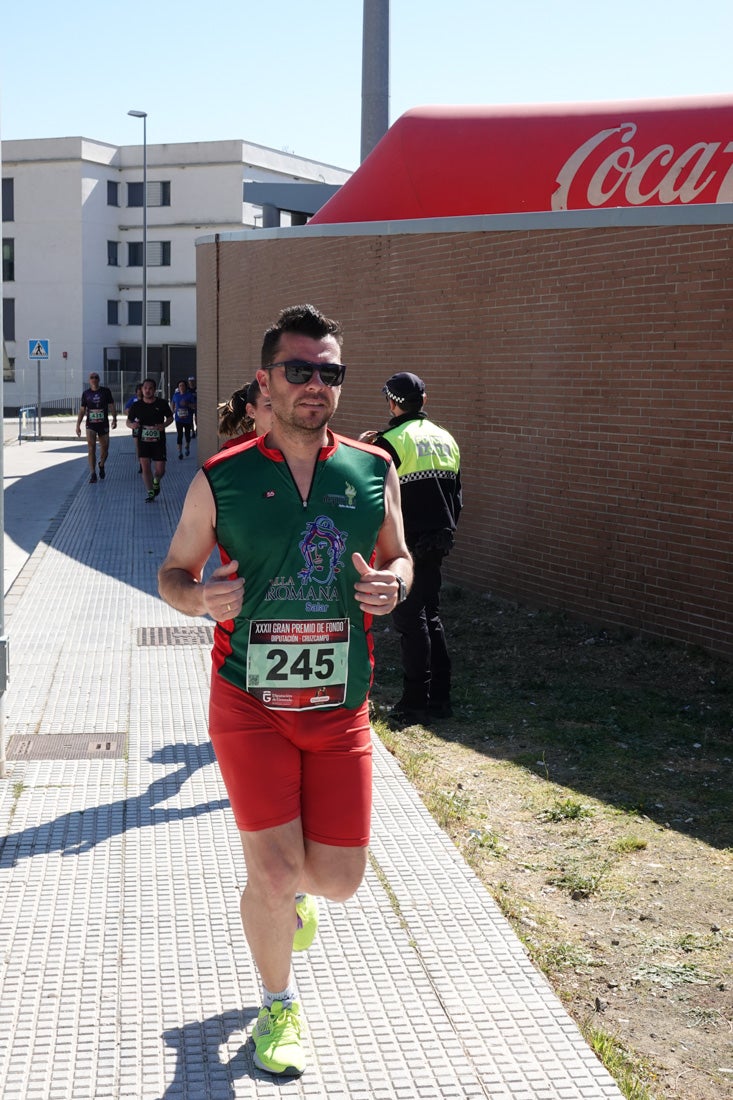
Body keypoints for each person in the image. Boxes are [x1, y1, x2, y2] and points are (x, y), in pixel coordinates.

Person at [158, 303, 412, 1078]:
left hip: (340, 706)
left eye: (329, 372)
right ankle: (278, 1004)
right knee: (270, 872)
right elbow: (172, 573)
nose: (315, 385)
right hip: (249, 705)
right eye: (298, 370)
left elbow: (400, 558)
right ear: (265, 383)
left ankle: (291, 903)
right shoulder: (223, 477)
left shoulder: (373, 470)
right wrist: (199, 599)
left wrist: (393, 588)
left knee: (335, 881)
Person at [364, 372, 462, 725]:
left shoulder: (388, 442)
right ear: (425, 399)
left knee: (410, 621)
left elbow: (376, 497)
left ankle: (414, 702)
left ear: (392, 402)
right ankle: (441, 699)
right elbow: (458, 496)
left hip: (406, 545)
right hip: (439, 540)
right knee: (431, 616)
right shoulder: (446, 438)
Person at [126, 378, 174, 503]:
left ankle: (156, 481)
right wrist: (132, 426)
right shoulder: (136, 406)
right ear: (141, 390)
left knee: (160, 470)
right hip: (143, 442)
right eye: (145, 388)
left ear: (154, 390)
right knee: (145, 468)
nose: (147, 391)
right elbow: (128, 421)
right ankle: (150, 491)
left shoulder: (162, 404)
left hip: (158, 442)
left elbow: (170, 418)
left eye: (150, 388)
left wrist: (163, 425)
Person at [75, 372, 117, 483]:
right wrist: (78, 425)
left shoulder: (105, 391)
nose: (94, 379)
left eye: (96, 377)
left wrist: (114, 418)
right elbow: (82, 410)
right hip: (91, 425)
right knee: (91, 448)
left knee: (105, 448)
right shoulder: (86, 393)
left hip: (103, 424)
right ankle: (93, 473)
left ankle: (101, 464)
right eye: (91, 377)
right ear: (89, 380)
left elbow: (112, 405)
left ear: (99, 380)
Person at [217, 378, 273, 448]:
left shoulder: (290, 449)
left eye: (285, 404)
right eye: (270, 405)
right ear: (251, 411)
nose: (280, 411)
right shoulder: (235, 451)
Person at [171, 379, 196, 459]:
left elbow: (194, 406)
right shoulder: (176, 395)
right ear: (178, 387)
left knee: (187, 435)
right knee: (179, 435)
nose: (181, 387)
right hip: (178, 419)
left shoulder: (189, 395)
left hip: (187, 419)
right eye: (180, 386)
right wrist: (172, 410)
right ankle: (180, 452)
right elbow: (173, 403)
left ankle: (187, 447)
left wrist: (187, 404)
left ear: (186, 387)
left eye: (183, 385)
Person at [124, 383, 144, 471]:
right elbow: (125, 410)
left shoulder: (147, 400)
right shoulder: (133, 400)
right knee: (138, 445)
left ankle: (146, 460)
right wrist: (130, 413)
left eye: (141, 391)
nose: (140, 393)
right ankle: (141, 463)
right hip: (136, 425)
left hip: (146, 426)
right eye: (138, 391)